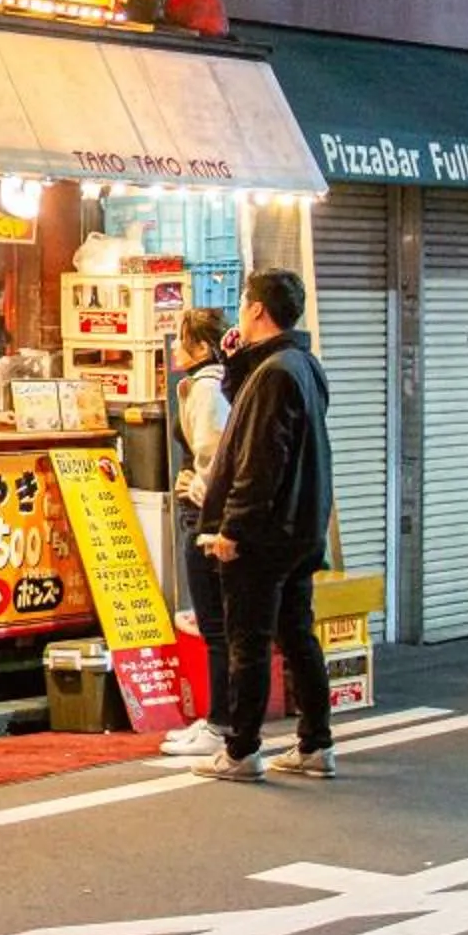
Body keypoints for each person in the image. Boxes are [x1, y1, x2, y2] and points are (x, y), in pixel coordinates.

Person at [192, 270, 334, 782]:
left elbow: (260, 460)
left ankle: (241, 751)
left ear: (256, 310)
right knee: (297, 633)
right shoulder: (299, 364)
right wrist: (233, 363)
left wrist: (234, 528)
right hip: (300, 526)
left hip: (266, 532)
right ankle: (316, 744)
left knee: (248, 640)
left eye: (244, 303)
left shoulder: (275, 373)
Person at [159, 309, 235, 759]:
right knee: (216, 624)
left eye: (181, 340)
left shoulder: (207, 389)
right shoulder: (206, 384)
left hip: (205, 517)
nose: (173, 348)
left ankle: (221, 722)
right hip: (205, 514)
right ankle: (216, 719)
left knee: (216, 625)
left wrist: (198, 488)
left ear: (202, 347)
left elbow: (216, 454)